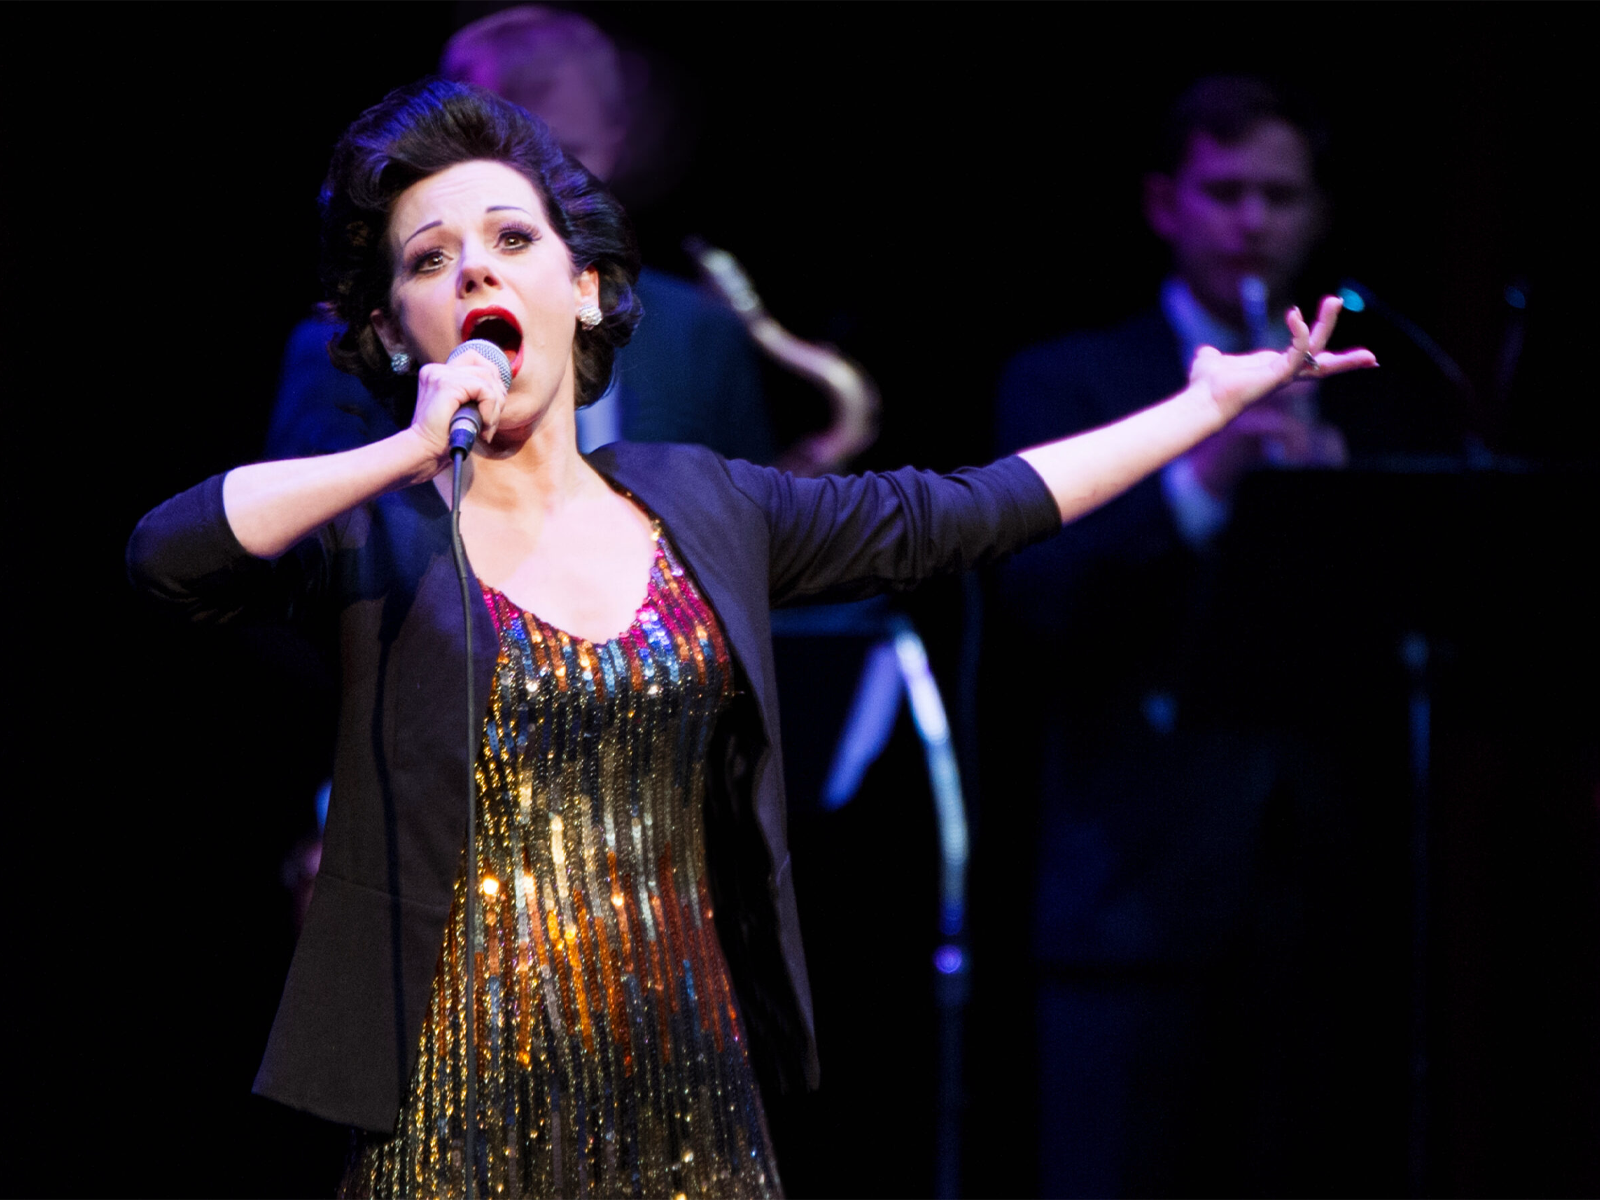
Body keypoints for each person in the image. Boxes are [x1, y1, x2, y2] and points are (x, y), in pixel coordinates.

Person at [126, 80, 1371, 1198]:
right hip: (452, 1101)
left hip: (684, 1086)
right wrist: (406, 448)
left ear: (588, 287)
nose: (476, 273)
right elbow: (169, 559)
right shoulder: (377, 539)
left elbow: (965, 511)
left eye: (512, 240)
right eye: (430, 259)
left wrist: (1200, 408)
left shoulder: (701, 499)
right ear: (398, 329)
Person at [988, 76, 1438, 1196]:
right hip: (1131, 887)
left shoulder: (1380, 395)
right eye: (1225, 192)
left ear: (1315, 215)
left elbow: (1422, 633)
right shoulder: (1071, 380)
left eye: (1279, 196)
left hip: (1325, 892)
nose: (1253, 222)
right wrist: (1199, 481)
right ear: (1163, 205)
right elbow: (1040, 600)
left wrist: (1348, 516)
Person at [269, 5, 775, 466]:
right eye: (501, 158)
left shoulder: (702, 332)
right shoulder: (333, 355)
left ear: (615, 139)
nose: (543, 188)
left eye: (569, 154)